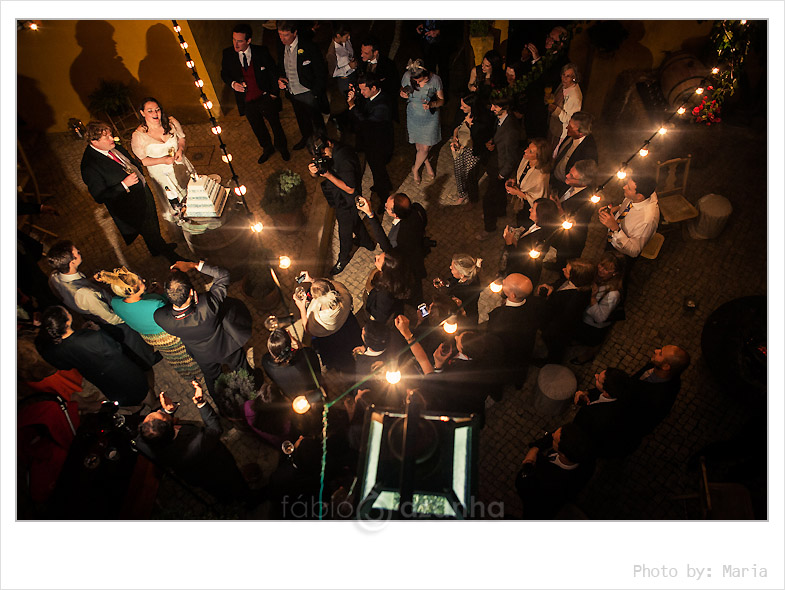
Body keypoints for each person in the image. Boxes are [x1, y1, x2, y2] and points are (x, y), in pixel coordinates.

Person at [46, 239, 159, 370]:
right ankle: (148, 360)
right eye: (77, 252)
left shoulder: (54, 277)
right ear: (72, 262)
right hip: (108, 319)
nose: (80, 251)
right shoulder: (85, 294)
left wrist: (91, 281)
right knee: (131, 339)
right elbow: (109, 317)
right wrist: (126, 316)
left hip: (87, 310)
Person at [153, 260, 253, 404]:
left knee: (212, 378)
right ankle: (251, 394)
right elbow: (223, 275)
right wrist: (194, 265)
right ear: (192, 293)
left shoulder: (161, 317)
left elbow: (167, 308)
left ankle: (220, 403)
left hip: (202, 354)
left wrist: (173, 278)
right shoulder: (207, 305)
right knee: (241, 367)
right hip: (227, 346)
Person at [80, 121, 180, 263]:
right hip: (130, 206)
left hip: (142, 190)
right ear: (94, 141)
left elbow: (128, 161)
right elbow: (100, 196)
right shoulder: (89, 166)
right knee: (149, 230)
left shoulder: (113, 146)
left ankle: (155, 249)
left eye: (110, 135)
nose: (112, 139)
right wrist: (123, 185)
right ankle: (175, 260)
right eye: (106, 137)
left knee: (153, 222)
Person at [136, 385, 252, 504]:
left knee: (214, 490)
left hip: (194, 477)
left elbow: (155, 431)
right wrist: (201, 403)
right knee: (235, 483)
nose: (159, 410)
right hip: (218, 468)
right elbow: (215, 430)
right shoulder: (197, 441)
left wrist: (167, 411)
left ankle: (225, 501)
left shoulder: (143, 443)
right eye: (160, 413)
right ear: (171, 425)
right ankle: (249, 501)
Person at [94, 266, 201, 382]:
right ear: (132, 289)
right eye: (140, 281)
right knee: (186, 355)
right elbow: (170, 309)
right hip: (169, 336)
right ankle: (198, 371)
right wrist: (162, 293)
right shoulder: (155, 303)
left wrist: (147, 295)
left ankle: (188, 376)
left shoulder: (115, 302)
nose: (144, 280)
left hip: (150, 338)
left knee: (174, 359)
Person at [35, 306, 151, 408]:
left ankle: (131, 406)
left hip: (97, 376)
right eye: (67, 312)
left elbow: (61, 361)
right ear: (67, 322)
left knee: (118, 393)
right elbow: (116, 349)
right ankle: (153, 405)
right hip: (120, 371)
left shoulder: (55, 349)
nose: (69, 313)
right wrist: (99, 331)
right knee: (142, 391)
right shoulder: (93, 338)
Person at [221, 23, 289, 165]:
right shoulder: (227, 54)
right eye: (234, 40)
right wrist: (233, 84)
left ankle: (282, 147)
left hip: (265, 97)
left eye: (240, 41)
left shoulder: (261, 52)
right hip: (247, 101)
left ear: (248, 41)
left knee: (276, 125)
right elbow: (224, 74)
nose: (236, 44)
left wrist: (274, 94)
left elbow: (273, 72)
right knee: (258, 128)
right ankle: (267, 148)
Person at [307, 134, 375, 276]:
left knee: (344, 231)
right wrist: (313, 171)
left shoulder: (344, 158)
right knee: (353, 220)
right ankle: (367, 242)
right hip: (338, 196)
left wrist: (328, 175)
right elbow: (319, 172)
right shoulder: (328, 152)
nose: (323, 156)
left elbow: (350, 188)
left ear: (329, 143)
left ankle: (343, 258)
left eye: (323, 153)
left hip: (347, 200)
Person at [130, 97, 194, 227]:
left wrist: (180, 150)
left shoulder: (171, 122)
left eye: (157, 110)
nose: (155, 114)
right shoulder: (138, 136)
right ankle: (183, 227)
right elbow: (143, 160)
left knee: (191, 192)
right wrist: (162, 160)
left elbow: (182, 138)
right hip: (161, 174)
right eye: (150, 111)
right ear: (142, 113)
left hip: (180, 166)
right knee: (174, 203)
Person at [515, 423, 595, 519]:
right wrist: (535, 449)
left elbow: (522, 484)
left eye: (554, 440)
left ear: (563, 455)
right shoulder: (587, 459)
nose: (551, 435)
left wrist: (528, 464)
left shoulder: (550, 481)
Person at [358, 193, 426, 303]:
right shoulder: (416, 209)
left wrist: (370, 215)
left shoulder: (396, 239)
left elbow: (385, 245)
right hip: (418, 255)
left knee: (414, 294)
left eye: (387, 207)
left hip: (408, 268)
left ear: (395, 214)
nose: (385, 204)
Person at [293, 274, 362, 373]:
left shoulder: (318, 318)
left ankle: (341, 368)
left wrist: (301, 308)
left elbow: (308, 329)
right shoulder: (344, 297)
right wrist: (313, 280)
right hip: (346, 326)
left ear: (315, 298)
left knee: (337, 357)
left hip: (330, 340)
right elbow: (334, 284)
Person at [277, 20, 329, 150]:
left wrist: (315, 92)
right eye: (280, 34)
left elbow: (321, 71)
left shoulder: (309, 47)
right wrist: (280, 78)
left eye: (286, 35)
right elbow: (280, 66)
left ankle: (323, 144)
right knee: (301, 118)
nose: (282, 38)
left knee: (316, 120)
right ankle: (306, 138)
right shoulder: (280, 45)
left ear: (295, 33)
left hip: (308, 92)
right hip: (292, 92)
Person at [485, 273, 542, 388]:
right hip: (525, 349)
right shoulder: (536, 304)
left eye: (505, 283)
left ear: (513, 295)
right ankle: (519, 383)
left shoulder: (498, 316)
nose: (503, 281)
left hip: (507, 353)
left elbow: (491, 337)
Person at [535, 258, 596, 365]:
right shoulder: (579, 283)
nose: (563, 269)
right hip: (554, 320)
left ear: (575, 278)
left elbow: (562, 322)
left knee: (555, 348)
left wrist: (546, 332)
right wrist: (552, 287)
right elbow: (562, 282)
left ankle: (552, 362)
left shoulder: (574, 301)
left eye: (567, 271)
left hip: (556, 330)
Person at [476, 96, 521, 240]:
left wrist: (502, 174)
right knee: (499, 192)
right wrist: (492, 143)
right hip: (496, 162)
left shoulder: (510, 131)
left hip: (500, 169)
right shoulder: (502, 119)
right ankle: (500, 211)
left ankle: (489, 228)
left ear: (505, 108)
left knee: (488, 199)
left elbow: (511, 157)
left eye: (495, 106)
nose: (492, 109)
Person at [347, 74, 394, 208]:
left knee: (378, 170)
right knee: (376, 169)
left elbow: (366, 122)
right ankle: (384, 184)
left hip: (379, 145)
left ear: (373, 88)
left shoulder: (382, 106)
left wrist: (352, 106)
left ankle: (384, 198)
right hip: (370, 141)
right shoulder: (371, 97)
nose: (361, 93)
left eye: (364, 90)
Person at [571, 252, 626, 365]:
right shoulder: (597, 275)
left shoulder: (613, 294)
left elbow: (600, 317)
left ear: (615, 273)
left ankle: (588, 356)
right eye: (601, 265)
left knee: (591, 342)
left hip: (593, 325)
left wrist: (593, 297)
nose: (600, 269)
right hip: (583, 316)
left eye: (606, 269)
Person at [573, 368, 640, 458]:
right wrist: (587, 393)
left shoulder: (593, 414)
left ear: (607, 393)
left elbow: (578, 429)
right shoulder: (624, 390)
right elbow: (597, 391)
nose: (595, 375)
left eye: (598, 380)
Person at [600, 169, 660, 265]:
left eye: (628, 188)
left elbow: (634, 251)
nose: (624, 187)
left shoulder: (646, 220)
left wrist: (614, 227)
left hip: (622, 254)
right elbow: (626, 205)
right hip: (613, 239)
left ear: (639, 196)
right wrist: (615, 209)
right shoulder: (643, 194)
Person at [400, 59, 445, 184]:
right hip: (414, 114)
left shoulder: (435, 80)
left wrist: (432, 104)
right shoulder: (408, 76)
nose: (417, 83)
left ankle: (415, 168)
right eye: (415, 80)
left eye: (420, 80)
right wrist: (402, 93)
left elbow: (442, 100)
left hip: (430, 115)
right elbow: (402, 89)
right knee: (420, 146)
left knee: (426, 147)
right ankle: (425, 163)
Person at [630, 345, 691, 435]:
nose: (656, 350)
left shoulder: (657, 398)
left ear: (666, 367)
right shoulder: (657, 365)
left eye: (661, 353)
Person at [502, 197, 561, 286]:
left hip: (522, 273)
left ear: (540, 215)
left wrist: (509, 243)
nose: (529, 210)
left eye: (533, 209)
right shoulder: (537, 224)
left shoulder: (539, 240)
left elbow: (519, 260)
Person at [450, 92, 494, 206]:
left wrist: (470, 125)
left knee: (470, 175)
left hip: (473, 149)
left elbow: (480, 137)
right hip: (460, 147)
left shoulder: (483, 118)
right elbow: (456, 126)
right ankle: (461, 194)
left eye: (464, 107)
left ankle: (472, 198)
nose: (461, 108)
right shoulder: (461, 112)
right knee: (458, 171)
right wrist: (455, 138)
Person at [554, 159, 599, 269]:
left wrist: (560, 210)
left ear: (583, 183)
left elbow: (575, 223)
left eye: (572, 176)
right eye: (569, 172)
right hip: (560, 232)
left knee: (565, 260)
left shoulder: (588, 201)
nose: (567, 176)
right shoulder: (568, 183)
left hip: (572, 239)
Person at [261, 328, 322, 401]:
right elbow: (317, 372)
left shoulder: (266, 362)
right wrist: (294, 340)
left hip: (291, 396)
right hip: (312, 393)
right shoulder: (307, 355)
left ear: (271, 351)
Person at [504, 137, 553, 227]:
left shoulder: (541, 177)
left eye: (530, 151)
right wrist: (515, 180)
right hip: (521, 201)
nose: (525, 151)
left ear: (539, 157)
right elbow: (524, 175)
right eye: (528, 147)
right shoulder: (527, 159)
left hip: (529, 207)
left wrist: (518, 192)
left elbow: (538, 200)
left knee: (524, 223)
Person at [550, 111, 598, 194]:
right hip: (554, 179)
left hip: (564, 187)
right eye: (569, 124)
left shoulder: (589, 151)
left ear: (581, 133)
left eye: (571, 127)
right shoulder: (571, 135)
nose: (567, 127)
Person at [365, 250, 412, 324]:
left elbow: (380, 315)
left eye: (379, 260)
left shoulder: (384, 293)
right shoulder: (399, 273)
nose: (376, 257)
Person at [434, 253, 484, 323]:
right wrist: (445, 283)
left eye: (453, 267)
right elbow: (454, 281)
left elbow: (449, 299)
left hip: (465, 320)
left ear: (462, 274)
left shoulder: (462, 292)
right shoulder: (471, 276)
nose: (450, 267)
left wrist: (441, 288)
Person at [356, 36, 400, 115]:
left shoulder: (388, 65)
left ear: (375, 52)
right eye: (361, 51)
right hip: (365, 103)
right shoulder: (360, 62)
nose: (362, 55)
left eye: (366, 53)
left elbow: (394, 86)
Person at [547, 63, 583, 150]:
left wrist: (556, 110)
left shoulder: (575, 96)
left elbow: (571, 119)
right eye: (563, 75)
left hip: (561, 133)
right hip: (553, 128)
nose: (564, 78)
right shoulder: (563, 85)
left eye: (568, 76)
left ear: (574, 78)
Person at [325, 22, 357, 100]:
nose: (349, 38)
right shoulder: (332, 53)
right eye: (346, 36)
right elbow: (333, 73)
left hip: (354, 75)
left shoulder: (346, 41)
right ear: (338, 35)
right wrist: (349, 66)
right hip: (345, 80)